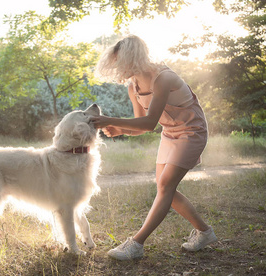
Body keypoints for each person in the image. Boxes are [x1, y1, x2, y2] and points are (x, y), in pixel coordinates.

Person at [90, 35, 217, 260]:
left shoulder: (163, 78)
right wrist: (121, 130)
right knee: (164, 186)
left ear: (134, 58)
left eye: (121, 61)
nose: (118, 67)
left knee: (166, 185)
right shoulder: (134, 86)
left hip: (192, 131)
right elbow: (141, 125)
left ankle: (136, 244)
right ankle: (205, 232)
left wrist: (111, 120)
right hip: (170, 133)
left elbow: (149, 124)